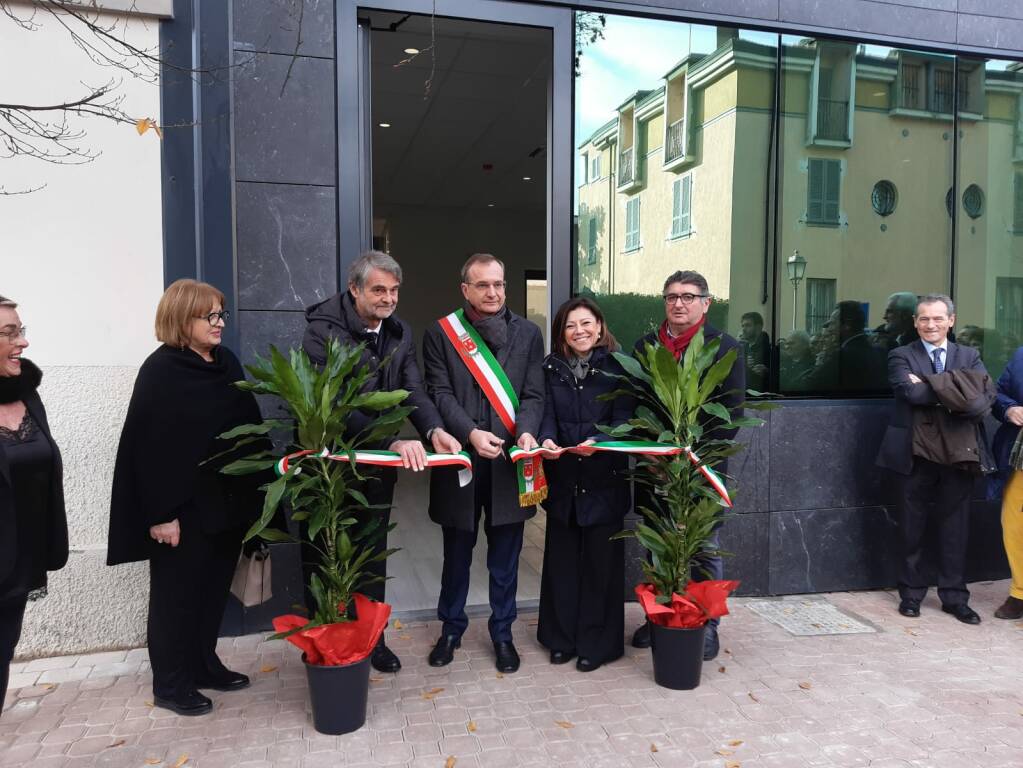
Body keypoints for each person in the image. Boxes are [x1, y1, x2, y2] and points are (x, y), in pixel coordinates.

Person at [108, 280, 266, 716]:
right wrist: (161, 515)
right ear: (183, 319)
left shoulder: (225, 362)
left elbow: (247, 428)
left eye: (221, 314)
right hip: (181, 510)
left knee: (213, 591)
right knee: (175, 597)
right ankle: (171, 684)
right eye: (210, 316)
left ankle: (204, 665)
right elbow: (147, 449)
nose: (219, 324)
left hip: (225, 503)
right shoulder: (161, 371)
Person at [302, 250, 461, 673]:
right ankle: (331, 646)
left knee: (372, 556)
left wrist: (432, 430)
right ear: (354, 289)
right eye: (378, 290)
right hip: (332, 470)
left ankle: (373, 640)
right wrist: (390, 439)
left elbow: (412, 390)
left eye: (394, 290)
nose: (388, 299)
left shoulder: (399, 332)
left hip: (376, 470)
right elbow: (334, 403)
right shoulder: (321, 333)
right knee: (331, 556)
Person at [422, 253, 545, 673]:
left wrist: (526, 431)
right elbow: (439, 393)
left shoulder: (528, 333)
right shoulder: (441, 334)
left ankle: (503, 633)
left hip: (510, 462)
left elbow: (534, 394)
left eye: (498, 284)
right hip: (462, 460)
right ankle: (451, 629)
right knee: (456, 552)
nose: (492, 292)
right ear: (465, 290)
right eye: (482, 285)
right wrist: (470, 434)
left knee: (505, 558)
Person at [629, 270, 744, 661]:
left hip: (700, 472)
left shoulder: (725, 347)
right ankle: (659, 615)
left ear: (706, 303)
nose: (679, 303)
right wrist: (653, 457)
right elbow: (636, 407)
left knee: (703, 548)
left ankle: (707, 625)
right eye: (672, 296)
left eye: (688, 296)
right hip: (654, 468)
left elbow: (730, 414)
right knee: (655, 547)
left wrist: (692, 460)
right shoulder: (646, 346)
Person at [875, 294, 992, 625]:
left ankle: (954, 597)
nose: (931, 325)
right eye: (924, 319)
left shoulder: (969, 355)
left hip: (958, 454)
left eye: (938, 319)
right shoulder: (901, 355)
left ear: (951, 321)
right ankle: (911, 594)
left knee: (955, 528)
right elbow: (909, 393)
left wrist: (930, 385)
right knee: (912, 527)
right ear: (915, 323)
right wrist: (957, 388)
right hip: (914, 452)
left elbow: (982, 400)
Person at [536, 297, 633, 673]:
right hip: (563, 480)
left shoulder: (619, 367)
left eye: (586, 323)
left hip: (604, 479)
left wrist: (602, 441)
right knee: (560, 564)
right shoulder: (550, 368)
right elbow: (545, 413)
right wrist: (545, 439)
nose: (580, 331)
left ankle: (598, 644)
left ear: (600, 325)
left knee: (600, 568)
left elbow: (625, 418)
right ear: (562, 332)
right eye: (571, 325)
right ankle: (559, 639)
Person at [0, 297, 68, 713]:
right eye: (9, 333)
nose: (22, 342)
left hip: (16, 565)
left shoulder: (28, 397)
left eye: (21, 330)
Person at [988, 343, 1023, 620]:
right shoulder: (1022, 354)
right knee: (1014, 524)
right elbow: (998, 394)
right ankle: (1020, 593)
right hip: (1018, 457)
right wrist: (1009, 409)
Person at [739, 311, 770, 392]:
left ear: (758, 327)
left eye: (748, 325)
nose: (743, 329)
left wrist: (767, 372)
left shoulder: (769, 349)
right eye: (742, 326)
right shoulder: (742, 349)